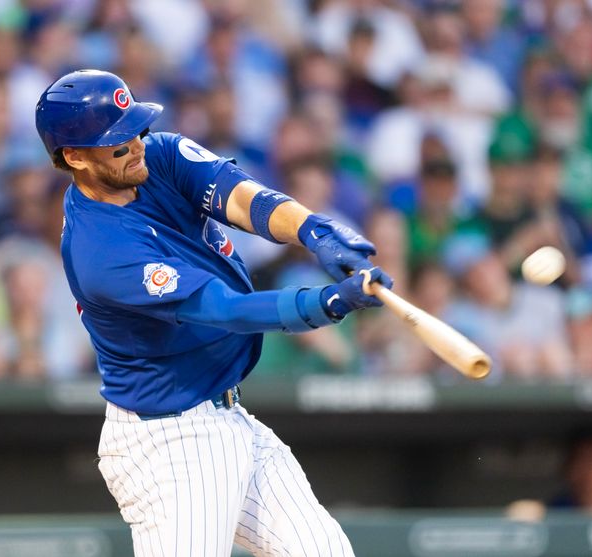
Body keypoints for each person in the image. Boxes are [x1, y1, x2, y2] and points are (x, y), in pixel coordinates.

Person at [35, 69, 393, 556]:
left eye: (135, 128)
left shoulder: (157, 155)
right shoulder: (102, 250)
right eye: (117, 142)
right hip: (169, 437)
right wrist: (325, 302)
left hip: (227, 416)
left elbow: (245, 200)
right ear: (75, 157)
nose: (135, 144)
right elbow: (225, 309)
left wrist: (314, 230)